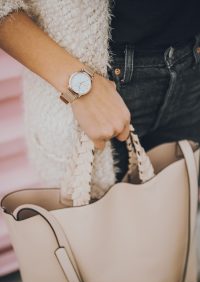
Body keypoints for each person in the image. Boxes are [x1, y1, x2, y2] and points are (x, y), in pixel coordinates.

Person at [0, 0, 200, 197]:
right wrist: (79, 84)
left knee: (177, 215)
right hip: (99, 88)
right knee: (97, 223)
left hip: (192, 71)